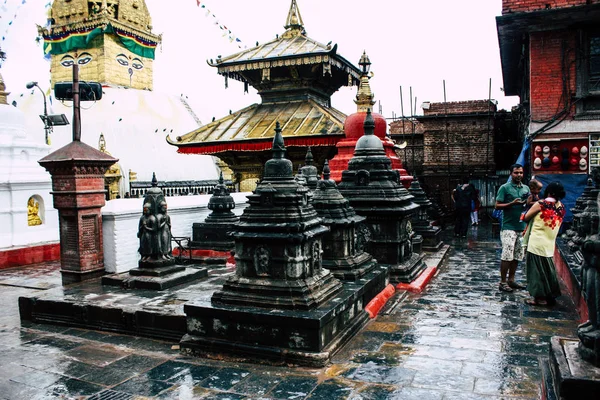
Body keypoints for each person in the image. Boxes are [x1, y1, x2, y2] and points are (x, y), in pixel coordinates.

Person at [523, 181, 566, 306]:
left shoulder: (541, 204)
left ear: (549, 192)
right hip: (549, 242)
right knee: (548, 270)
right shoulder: (561, 207)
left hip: (536, 241)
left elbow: (526, 217)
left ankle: (539, 298)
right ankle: (550, 295)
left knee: (536, 271)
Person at [495, 164, 530, 292]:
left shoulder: (526, 188)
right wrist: (512, 204)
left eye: (521, 173)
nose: (519, 175)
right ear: (511, 174)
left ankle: (512, 279)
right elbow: (497, 205)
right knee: (507, 255)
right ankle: (503, 281)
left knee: (517, 255)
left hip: (521, 226)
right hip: (508, 226)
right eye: (516, 173)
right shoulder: (505, 188)